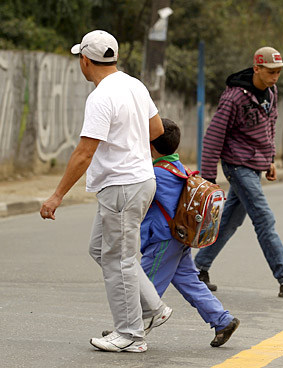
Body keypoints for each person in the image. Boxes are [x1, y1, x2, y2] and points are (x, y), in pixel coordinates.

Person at [39, 30, 171, 353]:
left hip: (122, 186)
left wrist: (56, 196)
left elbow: (84, 152)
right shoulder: (134, 85)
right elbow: (157, 130)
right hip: (140, 181)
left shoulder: (100, 97)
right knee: (101, 249)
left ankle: (130, 333)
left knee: (119, 258)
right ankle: (153, 308)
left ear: (85, 60)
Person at [194, 46, 283, 298]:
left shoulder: (271, 92)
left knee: (229, 221)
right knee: (263, 217)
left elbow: (270, 127)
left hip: (256, 163)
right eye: (270, 71)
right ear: (256, 68)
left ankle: (197, 269)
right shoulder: (234, 97)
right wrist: (208, 177)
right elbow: (214, 136)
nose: (274, 76)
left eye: (278, 72)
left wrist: (270, 159)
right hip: (237, 164)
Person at [140, 118, 240, 347]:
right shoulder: (179, 168)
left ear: (150, 145)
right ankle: (222, 320)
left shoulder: (154, 174)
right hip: (180, 237)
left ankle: (129, 331)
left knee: (144, 286)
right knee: (189, 282)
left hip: (163, 240)